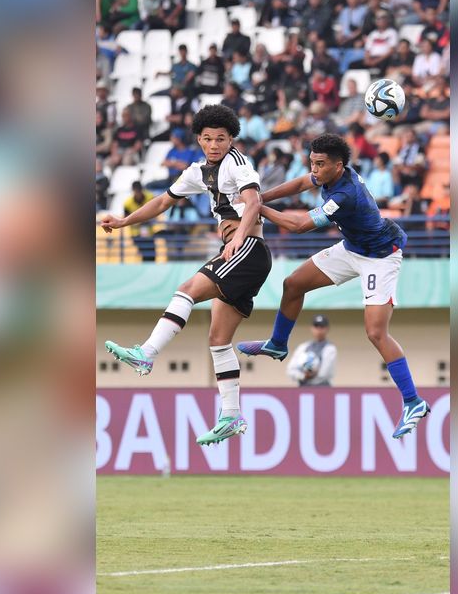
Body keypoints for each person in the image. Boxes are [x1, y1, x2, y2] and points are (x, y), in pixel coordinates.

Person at [237, 133, 429, 439]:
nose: (314, 169)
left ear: (338, 166)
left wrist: (255, 208)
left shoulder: (345, 195)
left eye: (320, 164)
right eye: (312, 162)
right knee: (293, 284)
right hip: (352, 249)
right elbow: (301, 184)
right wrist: (261, 196)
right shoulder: (329, 174)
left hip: (379, 258)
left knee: (376, 333)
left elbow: (299, 226)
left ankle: (413, 401)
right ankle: (277, 343)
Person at [101, 105, 269, 447]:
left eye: (221, 138)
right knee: (218, 340)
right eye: (207, 139)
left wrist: (237, 237)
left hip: (248, 248)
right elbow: (163, 202)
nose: (214, 145)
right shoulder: (197, 172)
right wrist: (122, 222)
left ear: (231, 139)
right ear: (198, 140)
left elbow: (253, 202)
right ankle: (231, 415)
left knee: (187, 289)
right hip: (239, 251)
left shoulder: (237, 164)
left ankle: (147, 353)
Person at [286, 315, 337, 386]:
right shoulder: (303, 347)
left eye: (322, 327)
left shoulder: (330, 348)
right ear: (312, 328)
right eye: (316, 326)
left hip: (323, 388)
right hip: (303, 389)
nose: (319, 330)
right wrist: (303, 376)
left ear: (327, 329)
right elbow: (291, 370)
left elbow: (323, 374)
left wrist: (310, 376)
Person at [122, 181, 158, 261]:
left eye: (139, 190)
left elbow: (156, 211)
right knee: (145, 254)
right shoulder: (128, 203)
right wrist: (139, 221)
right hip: (136, 233)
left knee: (152, 255)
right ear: (133, 191)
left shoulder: (150, 197)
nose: (138, 193)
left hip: (149, 232)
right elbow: (126, 218)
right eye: (136, 191)